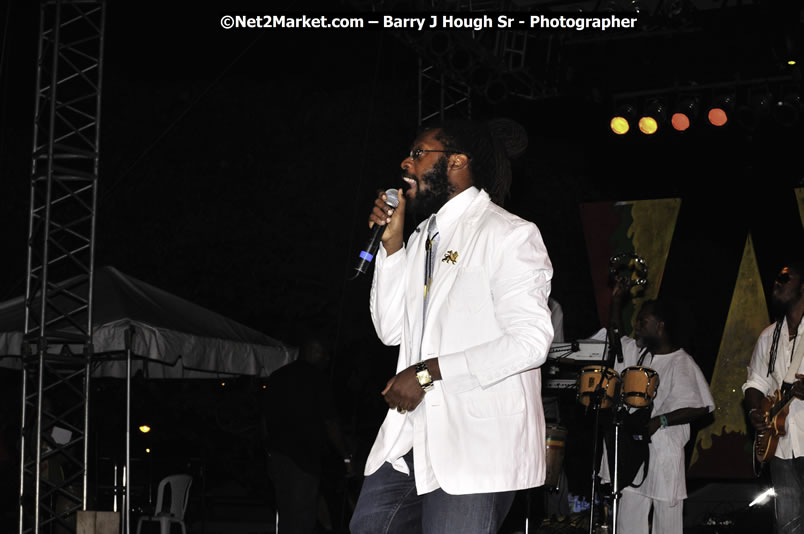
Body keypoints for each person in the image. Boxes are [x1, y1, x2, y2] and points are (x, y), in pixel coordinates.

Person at [348, 119, 555, 534]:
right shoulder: (424, 236)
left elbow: (532, 343)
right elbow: (391, 329)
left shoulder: (508, 234)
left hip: (474, 443)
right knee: (368, 526)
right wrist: (392, 245)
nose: (406, 162)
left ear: (457, 162)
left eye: (419, 153)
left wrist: (427, 373)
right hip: (412, 438)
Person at [601, 281, 714, 534]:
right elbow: (616, 337)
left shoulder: (680, 362)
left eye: (643, 322)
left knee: (667, 526)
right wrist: (617, 301)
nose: (637, 326)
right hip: (633, 454)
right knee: (628, 522)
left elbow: (701, 406)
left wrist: (660, 421)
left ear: (660, 326)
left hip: (664, 456)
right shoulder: (638, 354)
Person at [261, 337, 352, 534]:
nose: (326, 359)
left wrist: (269, 449)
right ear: (312, 350)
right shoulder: (316, 378)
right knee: (302, 516)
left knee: (286, 513)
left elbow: (264, 417)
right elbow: (330, 422)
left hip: (276, 457)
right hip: (303, 459)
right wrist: (345, 455)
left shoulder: (277, 376)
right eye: (323, 353)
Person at [743, 260, 804, 534]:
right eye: (775, 280)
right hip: (780, 446)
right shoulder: (769, 336)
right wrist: (755, 411)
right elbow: (755, 382)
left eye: (785, 279)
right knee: (788, 526)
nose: (776, 284)